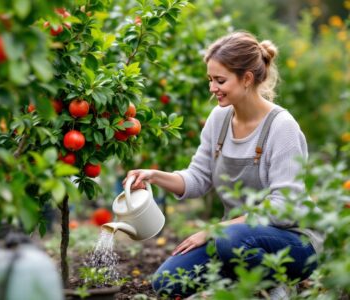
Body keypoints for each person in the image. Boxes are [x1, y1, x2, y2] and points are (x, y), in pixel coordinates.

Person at [123, 31, 323, 299]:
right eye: (210, 80)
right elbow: (198, 177)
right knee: (168, 282)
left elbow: (283, 209)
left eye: (220, 80)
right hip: (234, 238)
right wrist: (154, 176)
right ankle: (239, 284)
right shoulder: (219, 119)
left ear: (247, 79)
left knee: (232, 239)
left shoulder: (281, 127)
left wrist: (213, 230)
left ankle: (277, 284)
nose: (212, 88)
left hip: (291, 242)